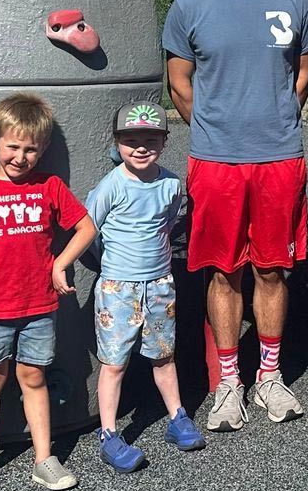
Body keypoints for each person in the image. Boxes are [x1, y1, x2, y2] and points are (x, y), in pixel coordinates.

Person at [163, 0, 308, 431]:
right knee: (223, 270)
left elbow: (303, 70)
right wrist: (213, 127)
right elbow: (180, 82)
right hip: (217, 160)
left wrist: (276, 115)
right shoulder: (190, 4)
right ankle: (229, 381)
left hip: (278, 155)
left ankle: (269, 377)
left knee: (273, 268)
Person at [0, 93, 95, 491]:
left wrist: (59, 263)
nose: (21, 156)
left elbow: (86, 228)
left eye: (31, 148)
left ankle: (44, 460)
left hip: (39, 306)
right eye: (13, 146)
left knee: (34, 378)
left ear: (42, 148)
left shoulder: (49, 185)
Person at [53, 102, 205, 472]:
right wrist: (101, 265)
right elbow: (89, 231)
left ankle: (178, 417)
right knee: (114, 363)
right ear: (117, 143)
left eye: (150, 139)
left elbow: (166, 226)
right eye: (130, 140)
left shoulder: (170, 184)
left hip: (159, 283)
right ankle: (108, 433)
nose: (141, 147)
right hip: (118, 287)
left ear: (164, 141)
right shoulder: (111, 185)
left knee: (163, 356)